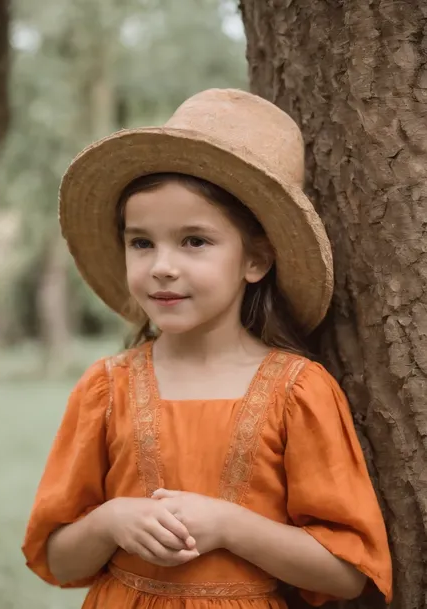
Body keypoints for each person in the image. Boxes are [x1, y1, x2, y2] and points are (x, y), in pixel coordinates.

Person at [22, 89, 392, 608]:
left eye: (194, 241)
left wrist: (228, 525)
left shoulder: (299, 391)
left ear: (255, 260)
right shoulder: (106, 390)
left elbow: (345, 574)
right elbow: (59, 560)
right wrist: (111, 520)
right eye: (142, 242)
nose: (162, 266)